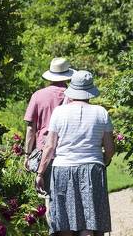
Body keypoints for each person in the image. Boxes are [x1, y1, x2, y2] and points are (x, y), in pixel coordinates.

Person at [35, 70, 115, 236]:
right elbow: (109, 149)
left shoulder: (59, 112)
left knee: (65, 222)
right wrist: (104, 161)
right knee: (90, 222)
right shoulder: (102, 113)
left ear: (72, 89)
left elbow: (49, 147)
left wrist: (40, 173)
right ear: (90, 91)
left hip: (63, 169)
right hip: (92, 169)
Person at [24, 57, 75, 218]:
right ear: (67, 76)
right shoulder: (74, 97)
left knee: (49, 198)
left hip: (45, 151)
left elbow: (31, 128)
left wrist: (27, 154)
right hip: (68, 152)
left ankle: (53, 229)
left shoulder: (38, 95)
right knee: (69, 198)